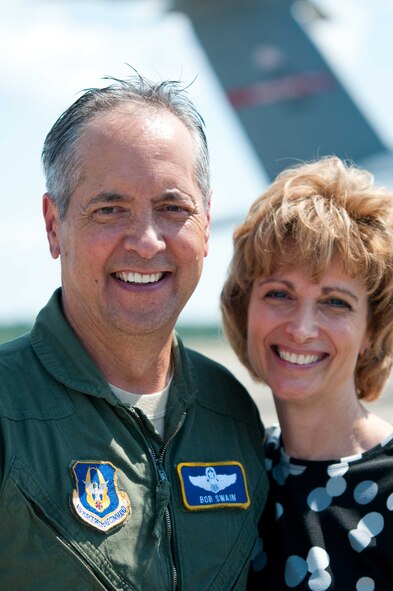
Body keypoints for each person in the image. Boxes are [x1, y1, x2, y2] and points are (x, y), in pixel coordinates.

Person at [0, 72, 268, 591]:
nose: (146, 242)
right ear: (54, 225)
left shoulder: (231, 413)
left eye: (173, 208)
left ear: (206, 225)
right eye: (109, 209)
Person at [221, 156, 393, 589]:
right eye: (279, 293)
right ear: (245, 311)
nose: (301, 329)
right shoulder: (230, 473)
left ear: (372, 329)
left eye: (335, 302)